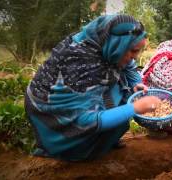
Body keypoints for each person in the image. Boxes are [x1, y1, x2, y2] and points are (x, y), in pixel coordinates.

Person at [24, 14, 161, 161]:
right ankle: (76, 149)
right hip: (54, 116)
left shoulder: (101, 40)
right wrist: (135, 108)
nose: (135, 56)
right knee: (120, 108)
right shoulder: (79, 63)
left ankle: (107, 138)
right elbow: (84, 120)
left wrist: (135, 82)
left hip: (78, 97)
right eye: (133, 51)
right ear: (117, 44)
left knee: (122, 97)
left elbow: (130, 67)